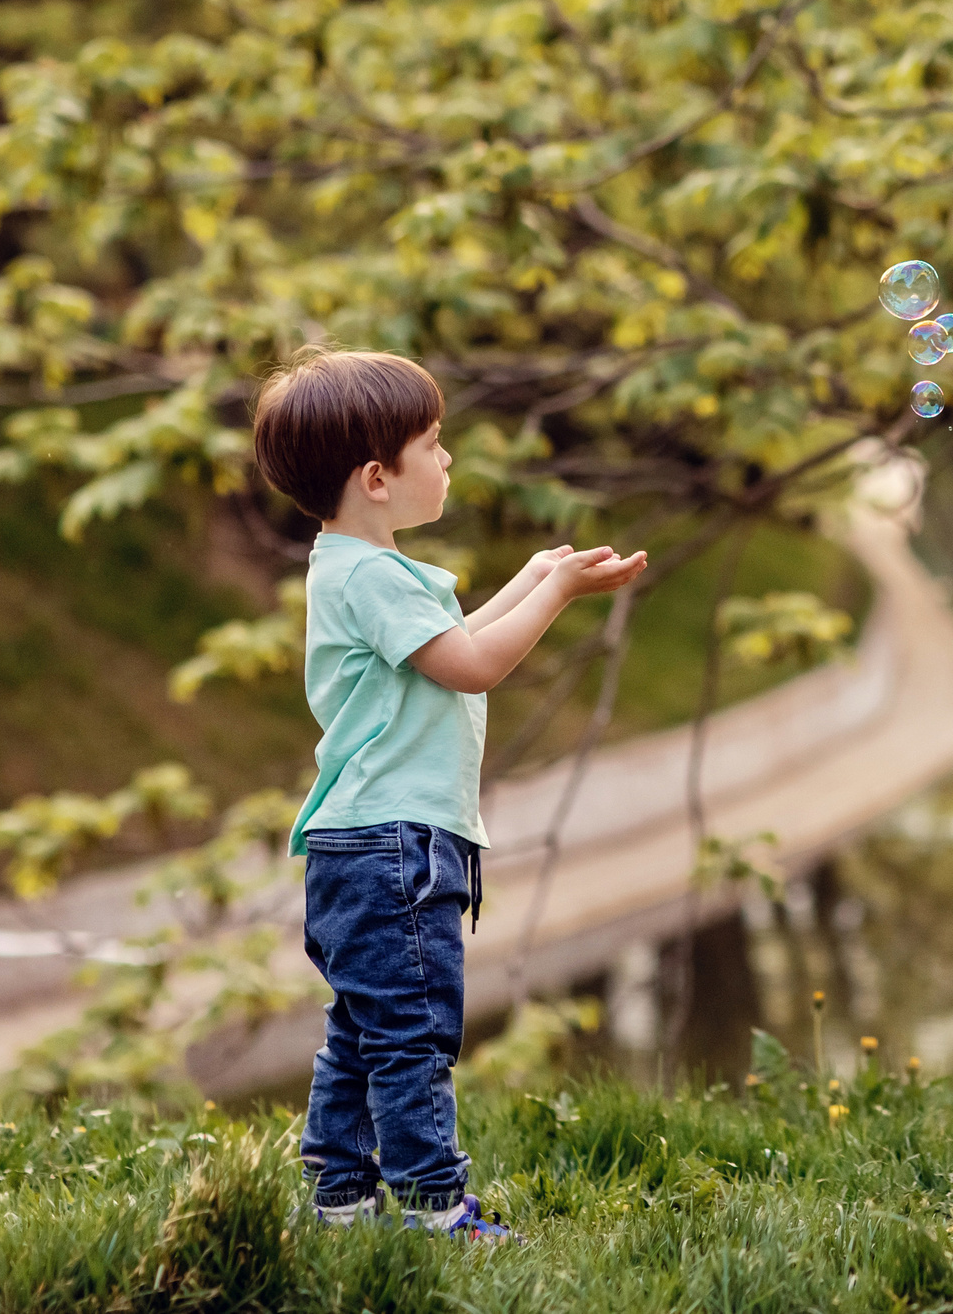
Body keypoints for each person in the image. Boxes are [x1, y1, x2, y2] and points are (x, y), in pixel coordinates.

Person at [251, 347, 646, 1238]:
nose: (449, 457)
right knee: (415, 1036)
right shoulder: (370, 575)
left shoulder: (358, 568)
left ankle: (341, 1198)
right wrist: (558, 596)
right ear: (378, 476)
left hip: (366, 844)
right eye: (434, 442)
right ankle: (435, 1208)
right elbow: (472, 667)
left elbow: (446, 642)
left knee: (363, 1029)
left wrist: (542, 578)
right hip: (397, 847)